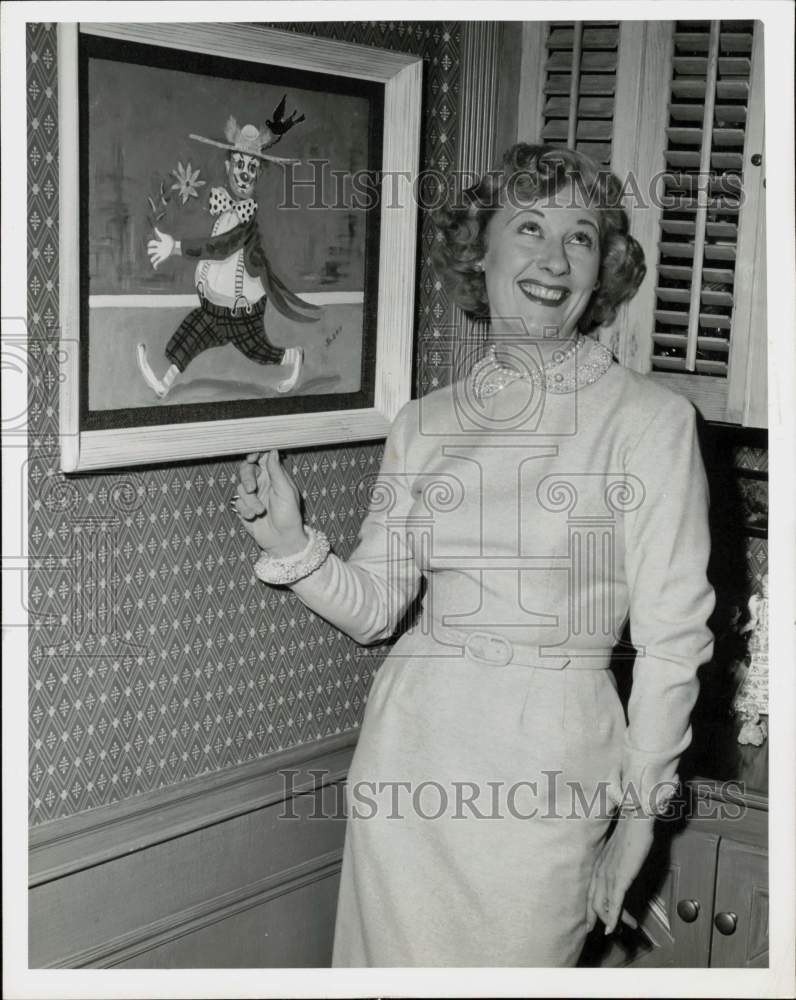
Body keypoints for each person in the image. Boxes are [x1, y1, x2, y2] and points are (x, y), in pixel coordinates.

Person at [233, 144, 716, 966]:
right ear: (481, 251)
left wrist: (639, 819)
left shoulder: (651, 423)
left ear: (603, 271)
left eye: (581, 238)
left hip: (553, 770)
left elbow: (675, 645)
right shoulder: (426, 421)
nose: (554, 260)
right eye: (529, 227)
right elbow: (378, 604)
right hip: (412, 746)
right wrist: (292, 546)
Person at [138, 113, 319, 399]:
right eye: (239, 163)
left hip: (240, 313)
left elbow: (219, 248)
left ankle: (294, 357)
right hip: (214, 306)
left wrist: (174, 246)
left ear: (258, 173)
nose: (245, 172)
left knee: (259, 352)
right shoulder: (225, 210)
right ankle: (165, 383)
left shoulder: (246, 220)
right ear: (228, 165)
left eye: (252, 166)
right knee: (190, 336)